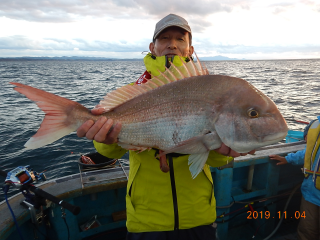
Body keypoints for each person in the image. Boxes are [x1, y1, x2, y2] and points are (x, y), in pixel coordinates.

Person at [77, 13, 254, 240]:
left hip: (198, 214)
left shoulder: (209, 91)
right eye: (164, 38)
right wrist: (103, 139)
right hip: (146, 218)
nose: (172, 44)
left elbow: (215, 158)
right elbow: (111, 150)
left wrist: (223, 153)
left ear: (190, 49)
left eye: (180, 39)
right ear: (153, 47)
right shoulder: (134, 92)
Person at [269, 118, 320, 240]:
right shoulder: (315, 125)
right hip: (311, 194)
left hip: (311, 192)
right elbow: (309, 152)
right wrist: (288, 159)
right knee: (307, 229)